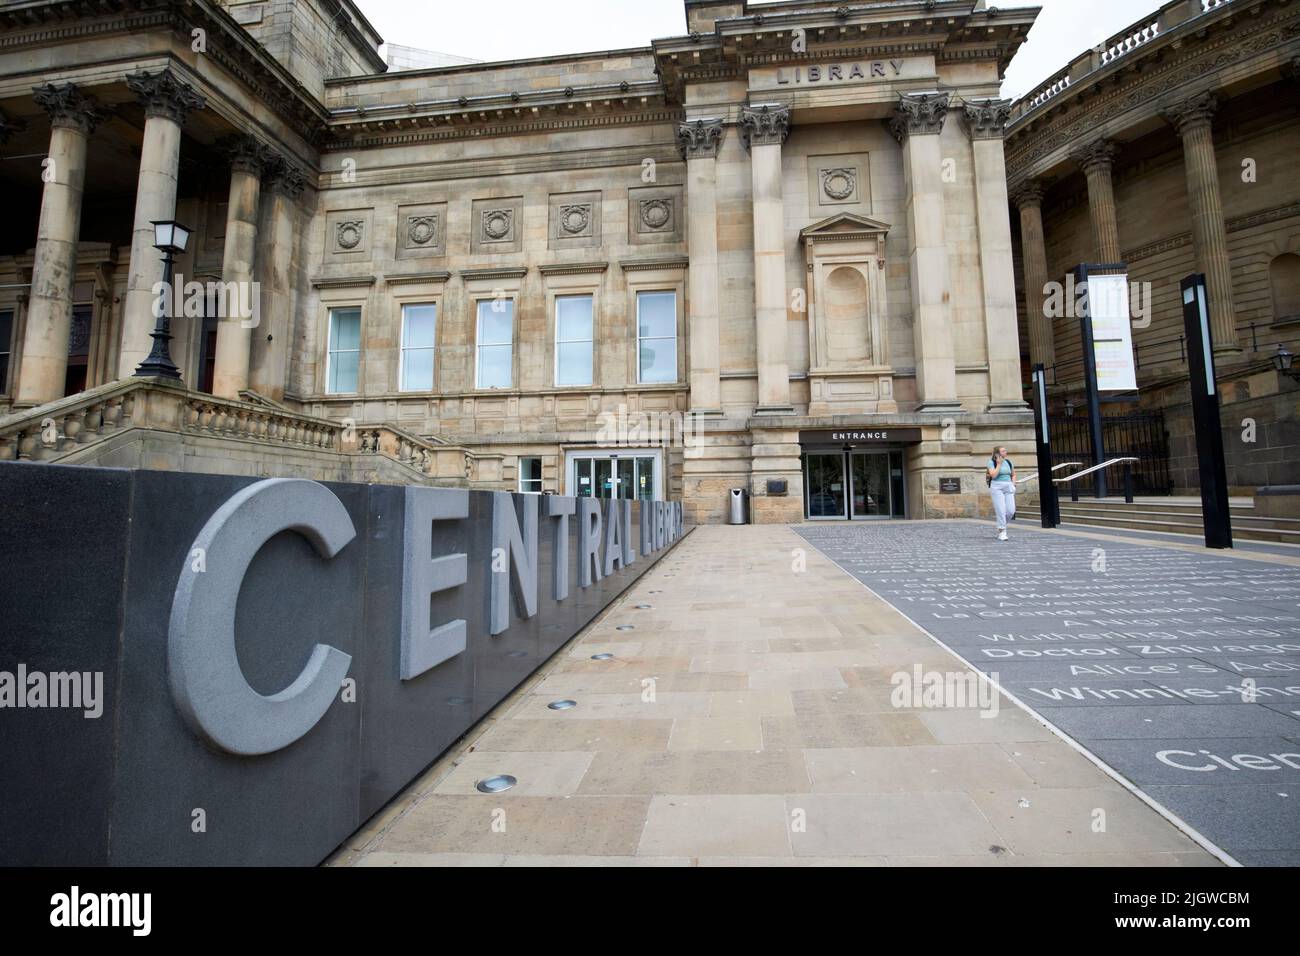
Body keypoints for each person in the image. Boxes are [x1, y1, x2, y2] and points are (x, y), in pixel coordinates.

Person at [986, 446, 1016, 541]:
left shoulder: (1009, 462)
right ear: (997, 453)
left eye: (1005, 450)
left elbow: (1013, 474)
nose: (1006, 452)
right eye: (1003, 451)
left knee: (1011, 511)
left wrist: (1013, 483)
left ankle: (1001, 526)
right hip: (997, 486)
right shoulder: (991, 462)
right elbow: (993, 475)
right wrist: (999, 464)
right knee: (1001, 510)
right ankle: (1002, 532)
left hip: (1008, 486)